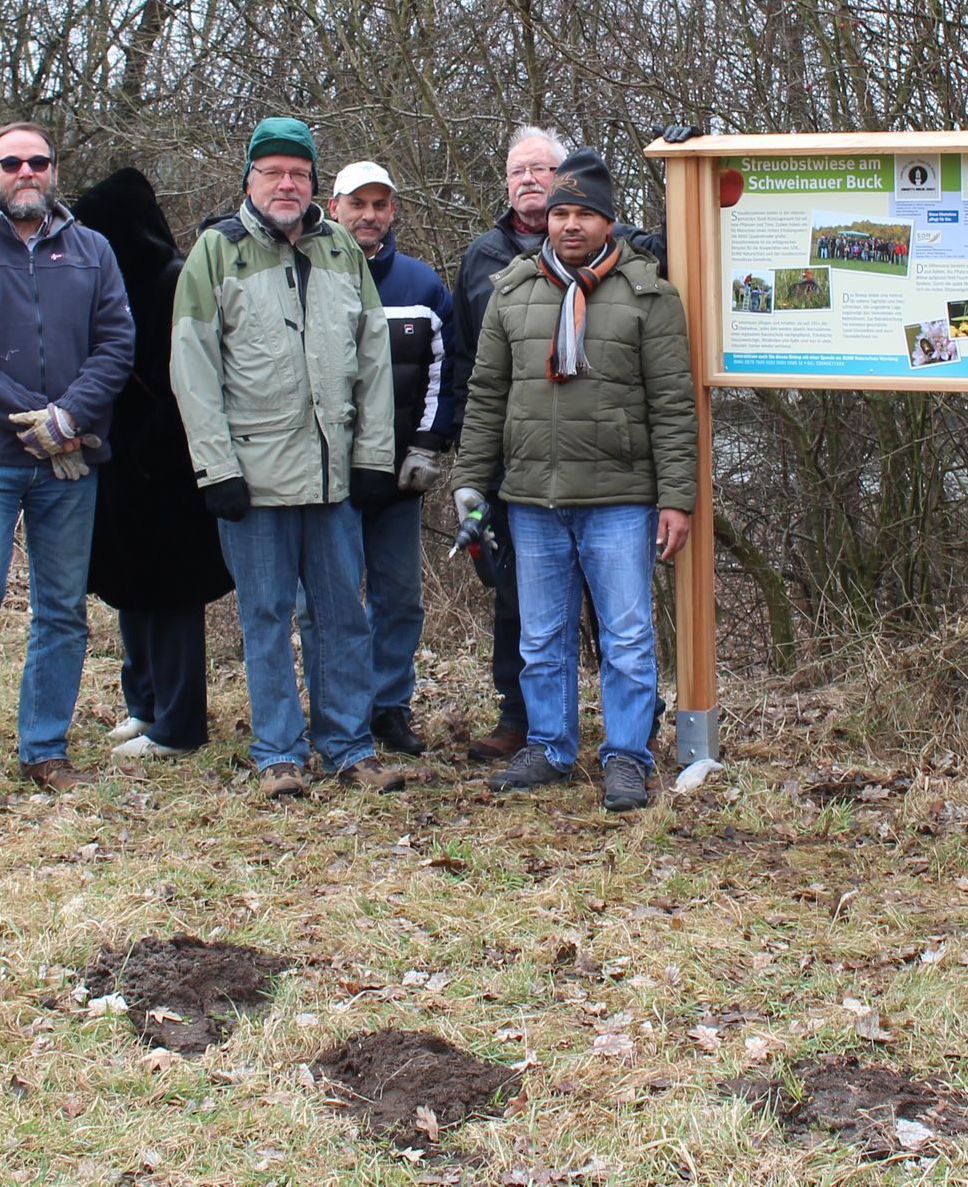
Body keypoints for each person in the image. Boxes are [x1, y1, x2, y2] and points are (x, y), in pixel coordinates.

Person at [452, 149, 698, 813]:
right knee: (540, 635)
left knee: (625, 635)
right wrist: (470, 485)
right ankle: (551, 748)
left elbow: (674, 404)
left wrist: (677, 497)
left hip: (619, 497)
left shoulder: (649, 294)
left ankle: (626, 757)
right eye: (560, 213)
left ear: (607, 222)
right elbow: (486, 395)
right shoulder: (512, 290)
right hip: (532, 496)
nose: (569, 225)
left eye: (583, 214)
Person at [169, 118, 401, 798]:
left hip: (334, 477)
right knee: (265, 618)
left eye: (298, 174)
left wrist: (375, 457)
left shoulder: (340, 252)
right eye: (273, 172)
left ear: (314, 185)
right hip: (253, 477)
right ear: (249, 180)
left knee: (342, 616)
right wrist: (216, 469)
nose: (286, 184)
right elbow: (193, 365)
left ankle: (349, 745)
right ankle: (278, 753)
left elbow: (374, 360)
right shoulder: (217, 253)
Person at [0, 121, 134, 792]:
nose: (27, 172)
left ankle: (44, 748)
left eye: (38, 161)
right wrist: (30, 417)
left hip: (69, 458)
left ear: (53, 171)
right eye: (11, 163)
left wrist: (66, 418)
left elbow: (117, 345)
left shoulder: (93, 250)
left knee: (63, 608)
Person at [70, 167, 234, 760]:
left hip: (171, 466)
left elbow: (189, 379)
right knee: (130, 591)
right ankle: (143, 705)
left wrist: (151, 445)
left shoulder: (172, 281)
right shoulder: (106, 282)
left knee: (171, 596)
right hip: (119, 462)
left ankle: (178, 721)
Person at [325, 160, 464, 757]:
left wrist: (428, 446)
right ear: (334, 208)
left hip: (398, 477)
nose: (369, 215)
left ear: (393, 211)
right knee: (332, 603)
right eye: (358, 204)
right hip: (327, 476)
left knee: (399, 597)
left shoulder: (421, 285)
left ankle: (388, 707)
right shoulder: (311, 272)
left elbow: (446, 373)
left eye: (380, 204)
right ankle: (338, 711)